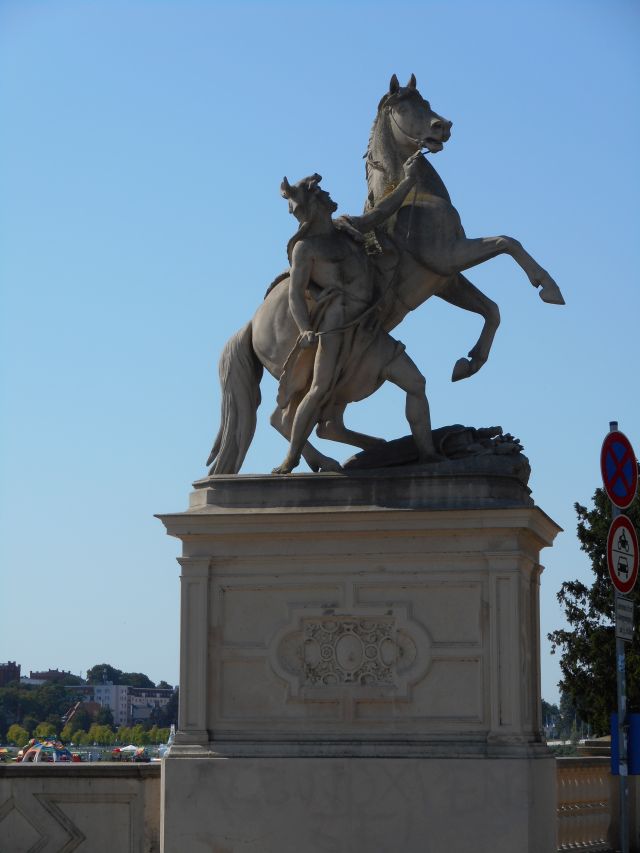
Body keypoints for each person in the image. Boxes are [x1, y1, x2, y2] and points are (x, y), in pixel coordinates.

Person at [273, 152, 439, 474]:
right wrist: (306, 329)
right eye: (322, 194)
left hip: (368, 327)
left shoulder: (346, 226)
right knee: (319, 390)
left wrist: (408, 182)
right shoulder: (305, 249)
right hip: (335, 329)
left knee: (416, 383)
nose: (330, 195)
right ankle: (292, 457)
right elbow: (295, 294)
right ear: (313, 206)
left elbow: (383, 211)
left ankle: (429, 455)